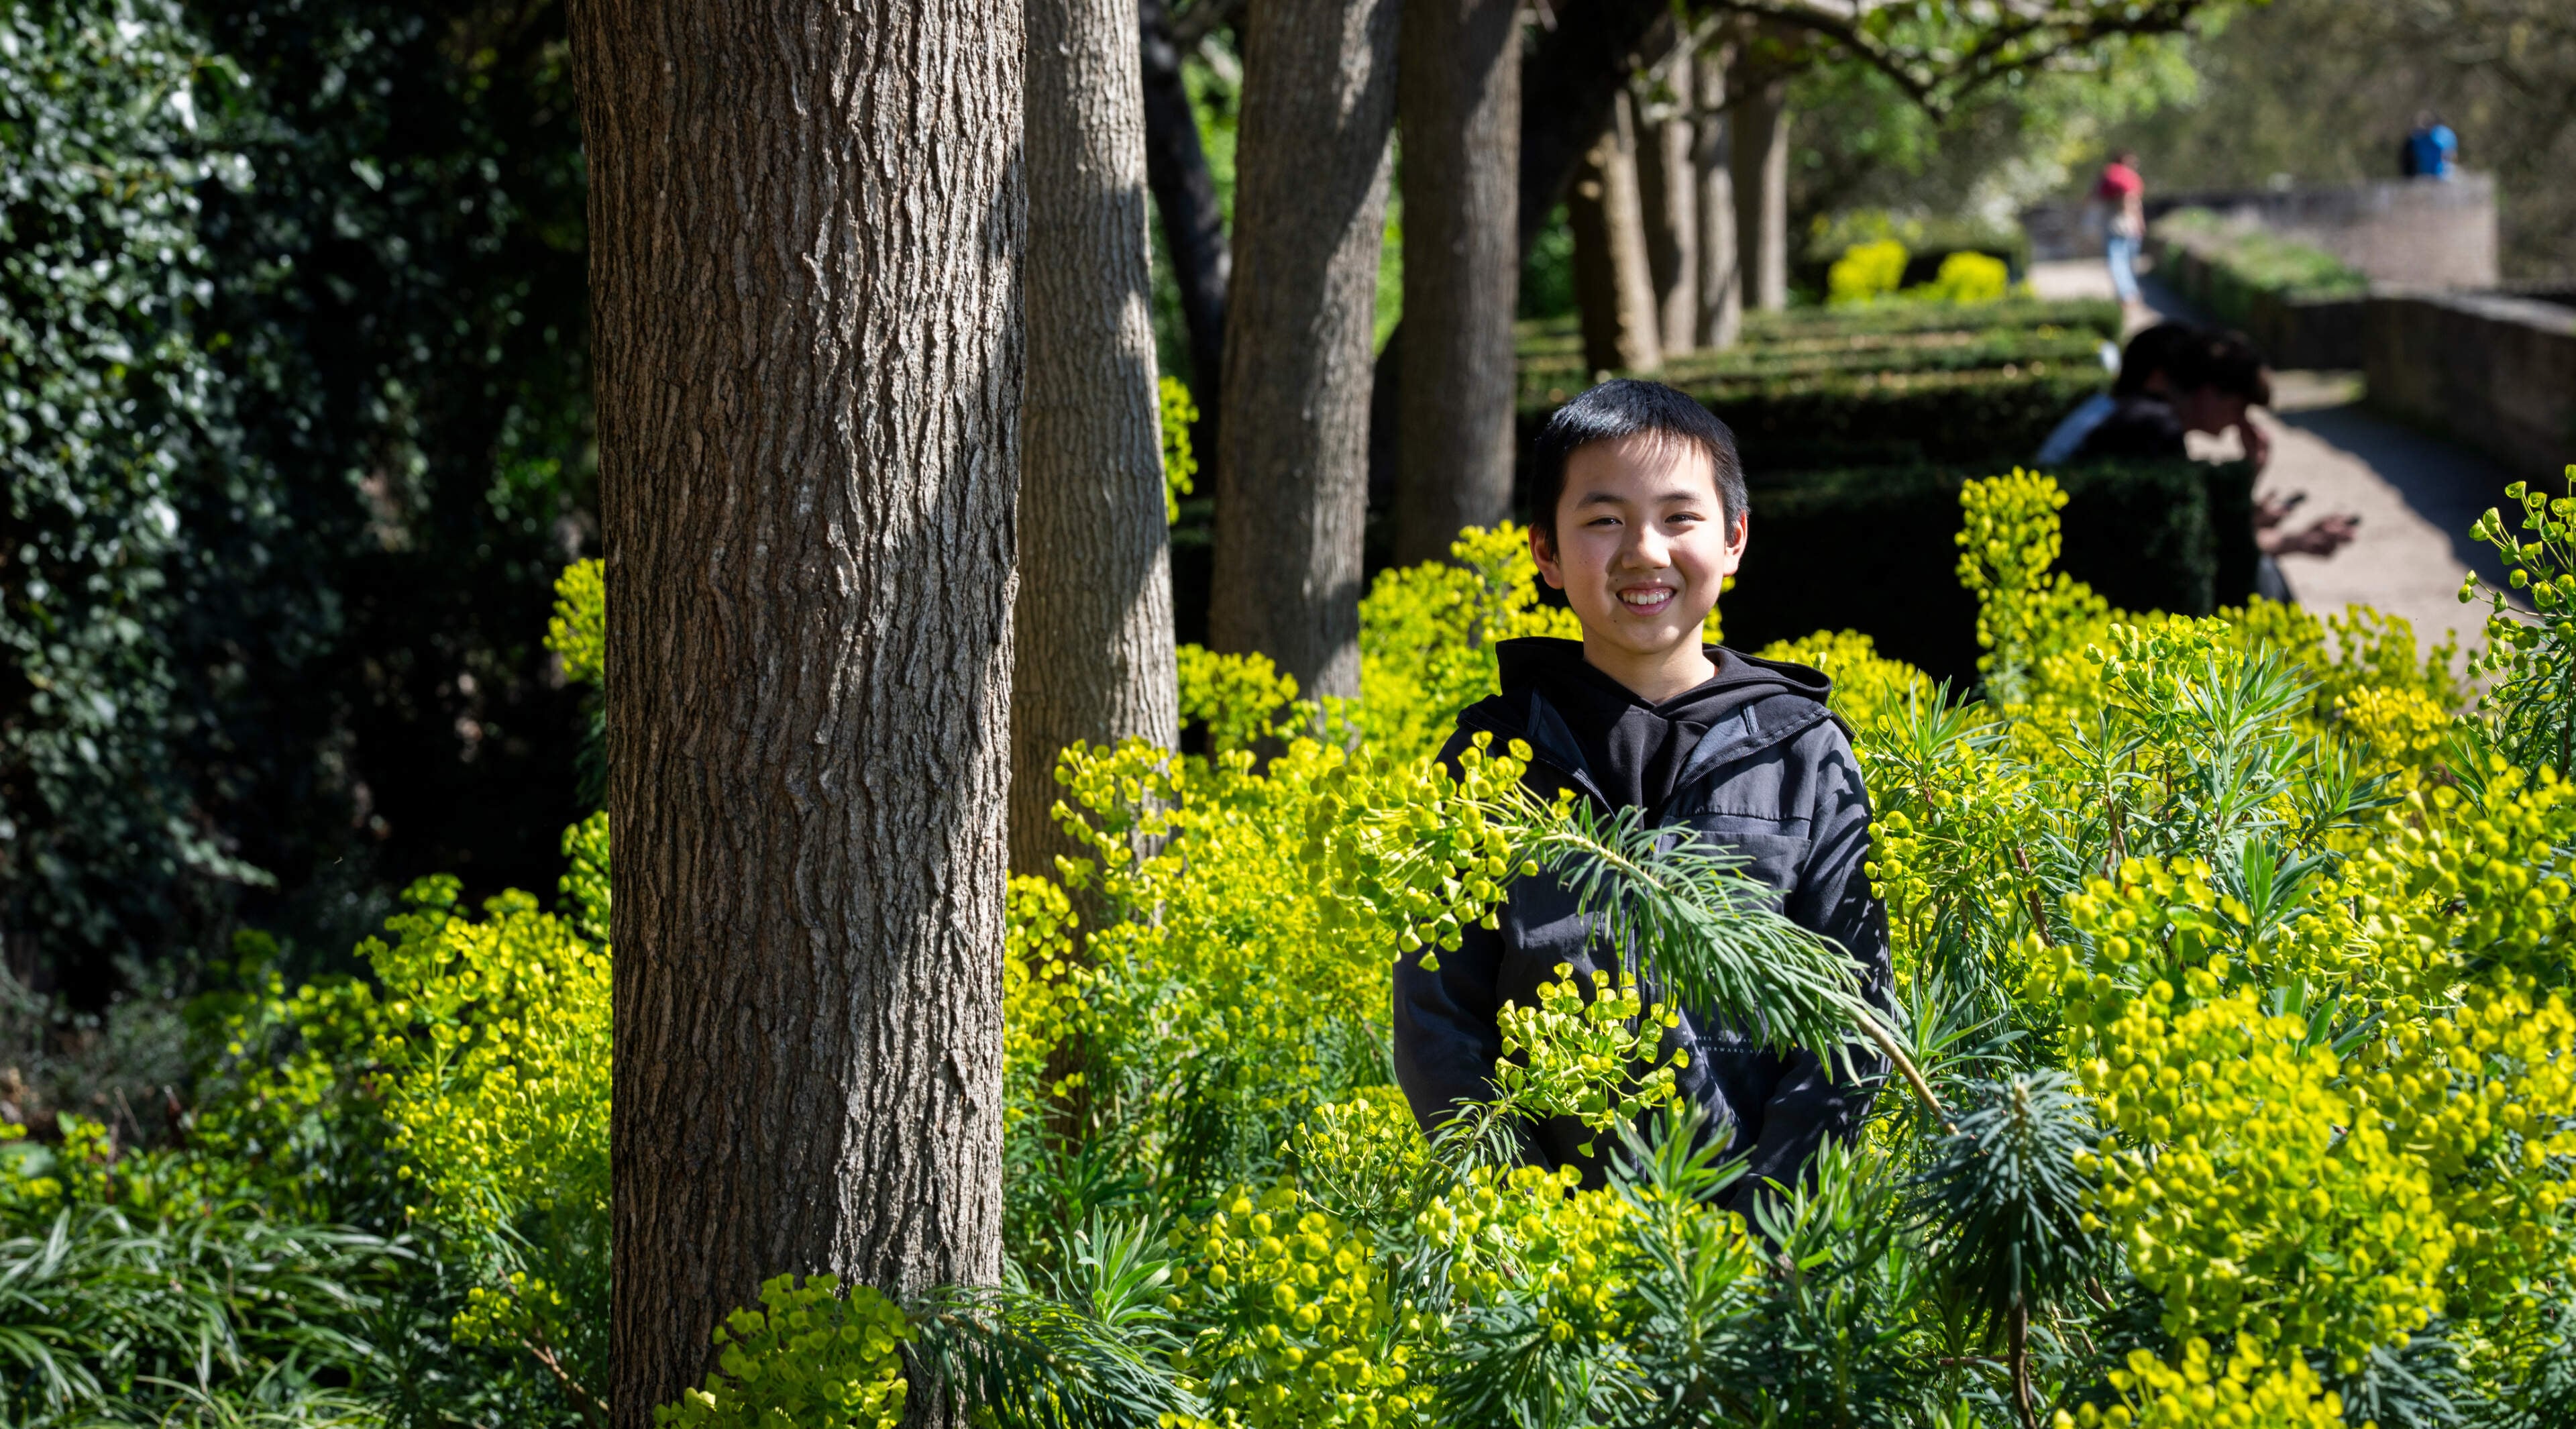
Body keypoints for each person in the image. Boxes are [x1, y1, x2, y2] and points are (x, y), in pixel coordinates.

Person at [1391, 379, 1892, 1211]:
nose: (1644, 551)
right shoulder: (1490, 758)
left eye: (1679, 518)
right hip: (1551, 1269)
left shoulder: (1806, 750)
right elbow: (1439, 1017)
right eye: (1603, 520)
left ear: (1733, 539)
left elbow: (1854, 1008)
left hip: (1756, 1271)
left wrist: (1771, 1234)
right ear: (1545, 553)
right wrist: (1523, 1227)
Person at [2070, 324, 2359, 597]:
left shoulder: (2142, 417)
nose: (2241, 421)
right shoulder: (2153, 426)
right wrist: (2289, 539)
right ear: (2209, 394)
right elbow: (2193, 545)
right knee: (2265, 577)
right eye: (2239, 406)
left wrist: (2250, 512)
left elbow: (2187, 526)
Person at [2092, 151, 2147, 309]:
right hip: (2127, 224)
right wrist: (2137, 221)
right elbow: (2132, 201)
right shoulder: (2127, 178)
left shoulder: (2108, 177)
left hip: (2113, 224)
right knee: (2126, 261)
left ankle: (2127, 295)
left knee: (2118, 261)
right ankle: (2128, 294)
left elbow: (2093, 198)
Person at [2405, 111, 2459, 180]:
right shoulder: (2417, 139)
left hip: (2443, 175)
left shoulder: (2444, 135)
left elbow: (2452, 154)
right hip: (2424, 176)